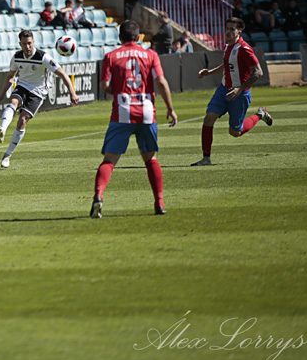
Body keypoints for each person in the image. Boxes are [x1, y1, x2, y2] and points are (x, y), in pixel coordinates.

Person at [91, 20, 178, 218]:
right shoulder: (151, 55)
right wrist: (170, 108)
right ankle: (159, 203)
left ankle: (98, 196)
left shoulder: (111, 56)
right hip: (146, 112)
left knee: (109, 160)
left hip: (122, 112)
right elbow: (161, 81)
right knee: (150, 158)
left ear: (120, 38)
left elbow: (104, 85)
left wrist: (119, 91)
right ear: (138, 37)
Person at [0, 30, 79, 168]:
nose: (27, 47)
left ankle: (7, 155)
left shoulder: (43, 57)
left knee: (22, 121)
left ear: (33, 42)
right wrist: (2, 93)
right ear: (20, 44)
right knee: (13, 102)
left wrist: (72, 92)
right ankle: (2, 130)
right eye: (24, 44)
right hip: (22, 86)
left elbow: (62, 73)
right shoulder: (17, 57)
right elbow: (11, 76)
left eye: (29, 43)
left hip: (38, 92)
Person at [193, 18, 272, 166]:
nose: (228, 32)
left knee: (235, 132)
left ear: (239, 32)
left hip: (239, 95)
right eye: (227, 28)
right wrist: (209, 72)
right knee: (208, 119)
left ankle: (260, 114)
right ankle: (206, 158)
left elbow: (258, 72)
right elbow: (227, 65)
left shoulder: (244, 49)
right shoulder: (228, 46)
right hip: (223, 90)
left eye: (232, 29)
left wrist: (240, 88)